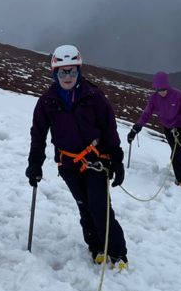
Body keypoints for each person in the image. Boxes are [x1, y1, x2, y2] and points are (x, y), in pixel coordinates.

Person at [26, 45, 129, 269]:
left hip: (96, 161)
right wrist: (34, 164)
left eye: (72, 71)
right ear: (55, 73)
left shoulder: (94, 97)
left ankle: (118, 253)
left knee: (99, 206)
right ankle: (96, 248)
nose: (67, 77)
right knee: (84, 206)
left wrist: (117, 161)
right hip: (68, 164)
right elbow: (38, 134)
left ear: (79, 71)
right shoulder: (47, 101)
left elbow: (110, 130)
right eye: (62, 72)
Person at [127, 71, 181, 186]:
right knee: (177, 151)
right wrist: (135, 129)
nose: (162, 92)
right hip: (168, 129)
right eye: (159, 90)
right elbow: (146, 114)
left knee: (176, 153)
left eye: (164, 89)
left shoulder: (177, 95)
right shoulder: (154, 98)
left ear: (167, 86)